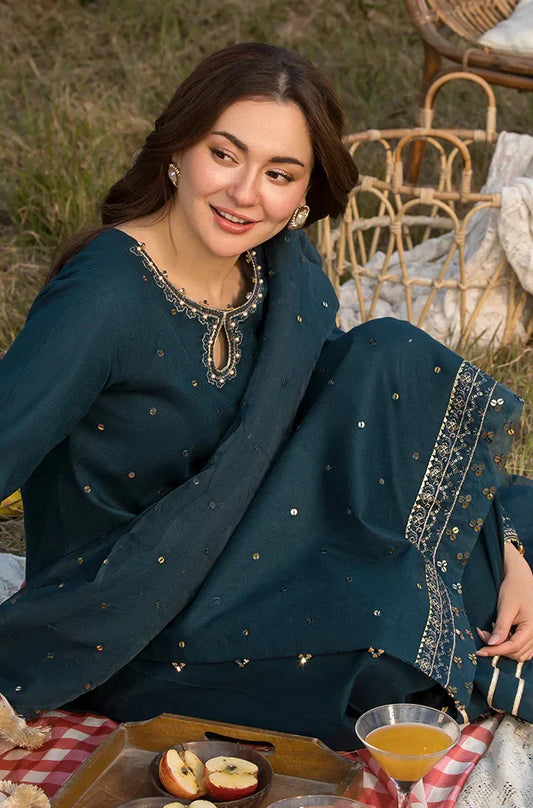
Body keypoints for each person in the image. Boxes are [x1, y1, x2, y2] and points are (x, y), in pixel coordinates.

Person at [0, 42, 532, 751]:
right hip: (141, 608)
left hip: (263, 534)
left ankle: (485, 574)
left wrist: (507, 546)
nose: (245, 194)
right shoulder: (102, 299)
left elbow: (342, 410)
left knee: (391, 357)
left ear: (305, 193)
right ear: (178, 149)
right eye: (224, 155)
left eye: (279, 173)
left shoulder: (275, 264)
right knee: (383, 631)